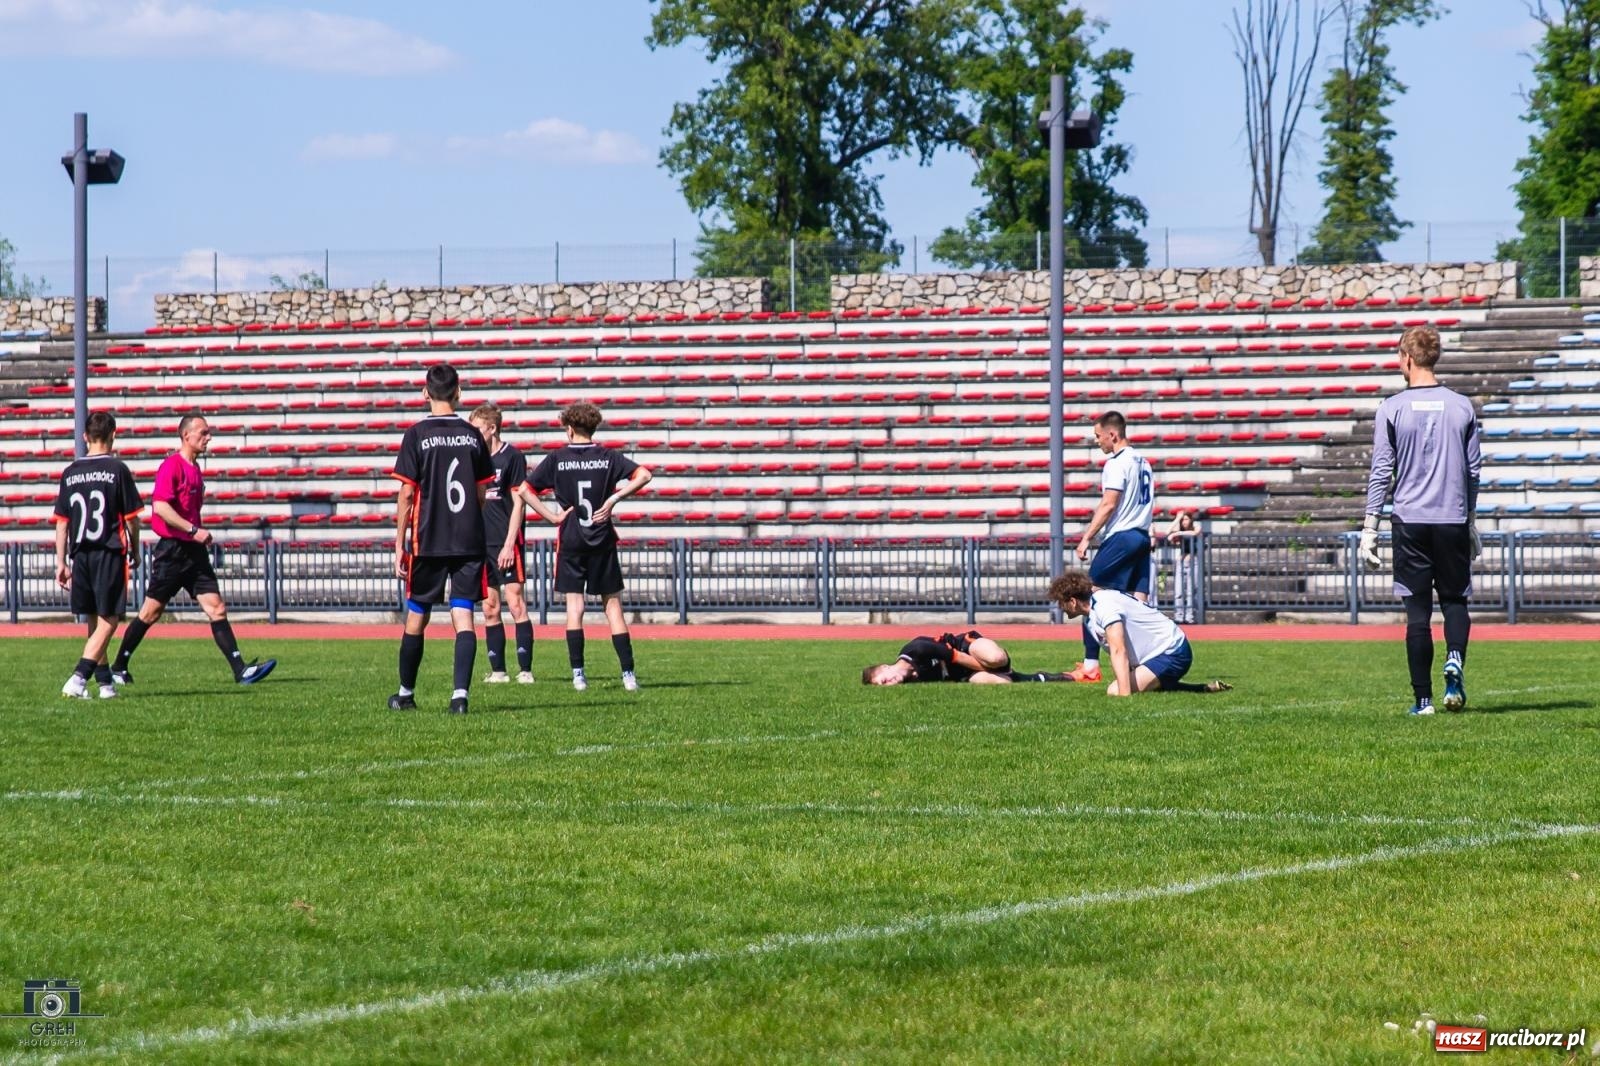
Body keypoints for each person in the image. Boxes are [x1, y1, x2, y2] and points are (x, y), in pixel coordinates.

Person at [1360, 324, 1482, 716]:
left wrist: (1369, 528)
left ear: (1407, 358)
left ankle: (1424, 701)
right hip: (1451, 518)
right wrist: (1471, 518)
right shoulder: (1462, 406)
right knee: (1455, 600)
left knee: (1417, 612)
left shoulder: (1391, 408)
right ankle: (1456, 658)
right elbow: (1474, 470)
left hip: (1410, 520)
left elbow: (1381, 471)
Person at [109, 415, 277, 687]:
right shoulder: (171, 466)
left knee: (217, 608)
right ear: (186, 436)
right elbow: (160, 507)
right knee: (151, 612)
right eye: (203, 432)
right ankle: (118, 666)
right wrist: (192, 530)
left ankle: (240, 670)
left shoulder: (195, 468)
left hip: (194, 552)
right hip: (173, 552)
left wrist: (195, 535)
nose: (208, 437)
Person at [389, 364, 496, 714]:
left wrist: (399, 543)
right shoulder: (472, 435)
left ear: (424, 393)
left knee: (417, 615)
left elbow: (407, 495)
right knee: (463, 615)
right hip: (468, 540)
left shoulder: (417, 434)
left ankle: (405, 694)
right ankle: (460, 697)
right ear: (459, 392)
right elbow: (481, 493)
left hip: (428, 540)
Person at [527, 402, 652, 692]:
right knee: (613, 608)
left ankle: (578, 674)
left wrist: (553, 517)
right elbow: (644, 474)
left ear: (569, 429)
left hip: (571, 539)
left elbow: (524, 489)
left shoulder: (558, 458)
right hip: (602, 539)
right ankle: (628, 675)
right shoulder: (607, 456)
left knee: (575, 608)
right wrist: (612, 500)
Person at [54, 411, 144, 700]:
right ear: (114, 435)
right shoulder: (117, 470)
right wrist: (136, 547)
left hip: (80, 553)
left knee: (94, 618)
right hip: (108, 549)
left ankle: (105, 684)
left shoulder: (70, 472)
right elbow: (132, 518)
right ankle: (79, 677)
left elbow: (62, 522)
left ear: (84, 437)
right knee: (110, 619)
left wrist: (60, 560)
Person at [1069, 410, 1154, 683]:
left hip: (1122, 536)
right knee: (1138, 603)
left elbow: (1109, 503)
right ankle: (1143, 664)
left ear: (1112, 434)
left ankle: (1090, 666)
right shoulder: (1144, 461)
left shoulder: (1116, 463)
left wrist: (1086, 537)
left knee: (1089, 595)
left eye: (1098, 436)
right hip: (1142, 537)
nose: (1097, 442)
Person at [1048, 571, 1232, 696]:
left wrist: (1124, 696)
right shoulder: (1094, 611)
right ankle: (1200, 689)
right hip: (1159, 654)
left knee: (1114, 690)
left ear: (1072, 601)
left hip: (1171, 652)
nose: (1060, 607)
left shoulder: (1104, 607)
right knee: (1121, 684)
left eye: (1061, 602)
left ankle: (1184, 687)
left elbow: (1119, 650)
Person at [468, 403, 536, 684]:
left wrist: (510, 543)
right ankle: (498, 671)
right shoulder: (473, 459)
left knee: (516, 602)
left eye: (477, 429)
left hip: (506, 541)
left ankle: (525, 670)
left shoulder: (513, 458)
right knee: (489, 607)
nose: (472, 434)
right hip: (481, 543)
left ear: (492, 428)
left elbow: (519, 503)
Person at [861, 630, 1069, 685]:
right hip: (964, 674)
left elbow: (958, 657)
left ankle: (1003, 667)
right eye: (884, 686)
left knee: (996, 658)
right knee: (1003, 684)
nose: (889, 683)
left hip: (968, 648)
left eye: (884, 679)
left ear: (886, 666)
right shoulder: (912, 681)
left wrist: (997, 670)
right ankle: (1059, 677)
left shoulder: (918, 649)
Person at [1165, 510, 1201, 625]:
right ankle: (1179, 616)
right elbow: (1167, 532)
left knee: (1191, 590)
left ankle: (1190, 616)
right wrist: (1176, 519)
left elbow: (1195, 533)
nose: (1184, 522)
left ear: (1190, 519)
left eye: (1186, 519)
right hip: (1181, 562)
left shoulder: (1195, 526)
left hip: (1193, 561)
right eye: (1182, 520)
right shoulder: (1179, 530)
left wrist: (1177, 534)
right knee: (1179, 591)